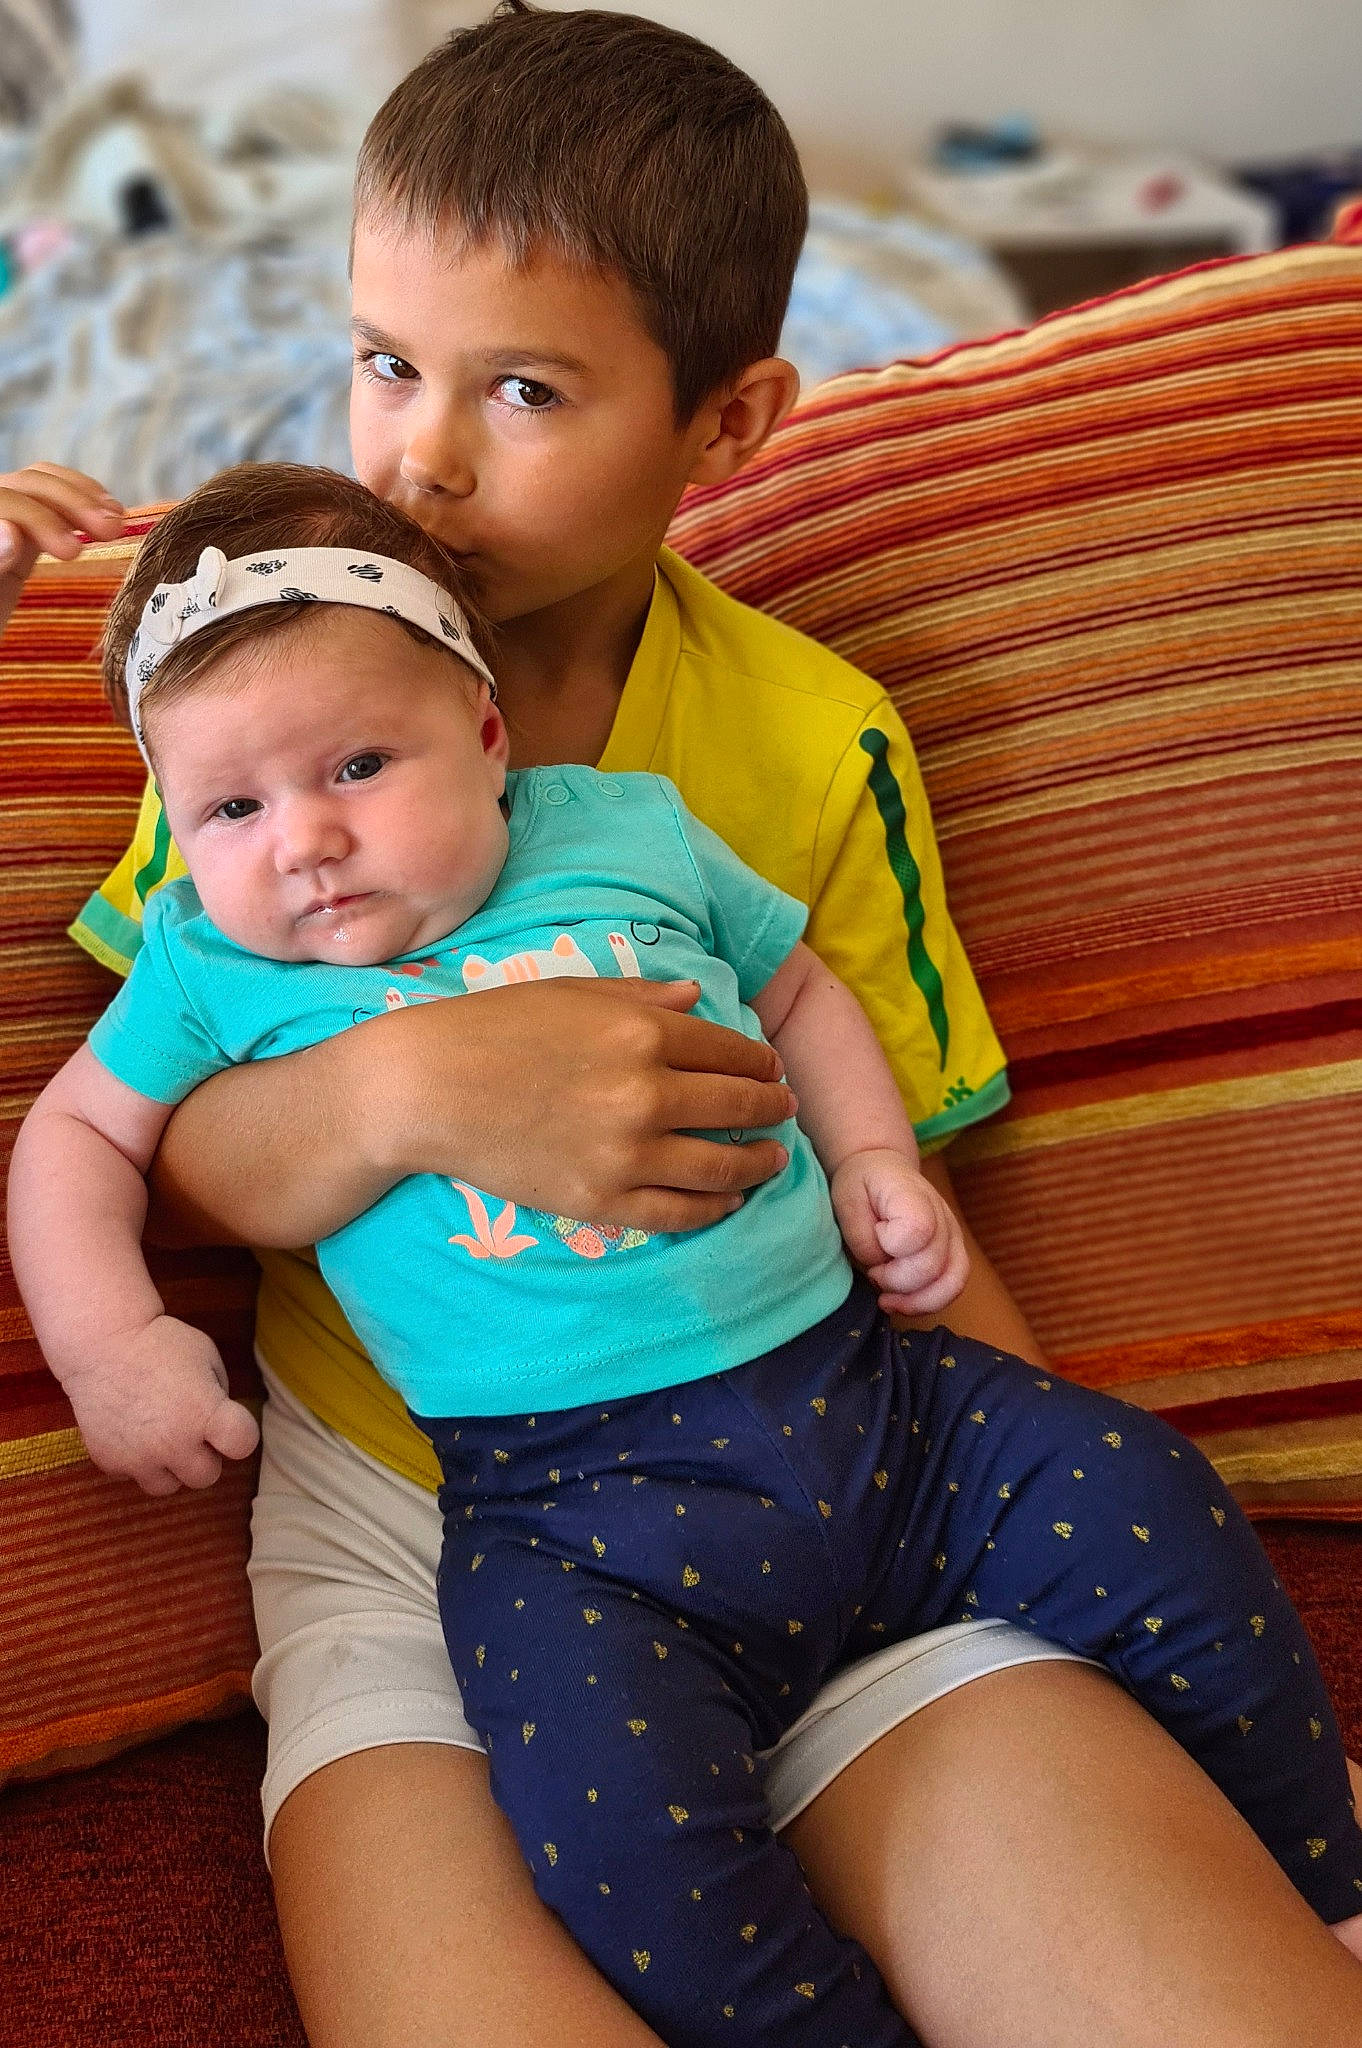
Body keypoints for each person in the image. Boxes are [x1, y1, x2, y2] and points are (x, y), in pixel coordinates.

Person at [4, 9, 1362, 2044]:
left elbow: (893, 1161)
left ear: (728, 425)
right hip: (419, 1524)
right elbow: (164, 1138)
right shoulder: (261, 698)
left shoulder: (805, 748)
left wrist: (991, 1483)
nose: (423, 458)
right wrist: (403, 1084)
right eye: (384, 362)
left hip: (819, 1418)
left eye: (524, 387)